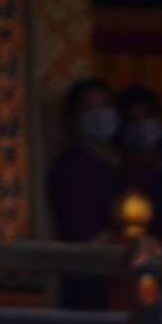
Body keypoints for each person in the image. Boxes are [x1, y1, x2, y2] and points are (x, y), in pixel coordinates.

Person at [46, 77, 130, 253]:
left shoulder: (129, 163)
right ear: (74, 118)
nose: (99, 114)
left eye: (105, 105)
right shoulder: (69, 168)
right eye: (88, 108)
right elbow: (81, 231)